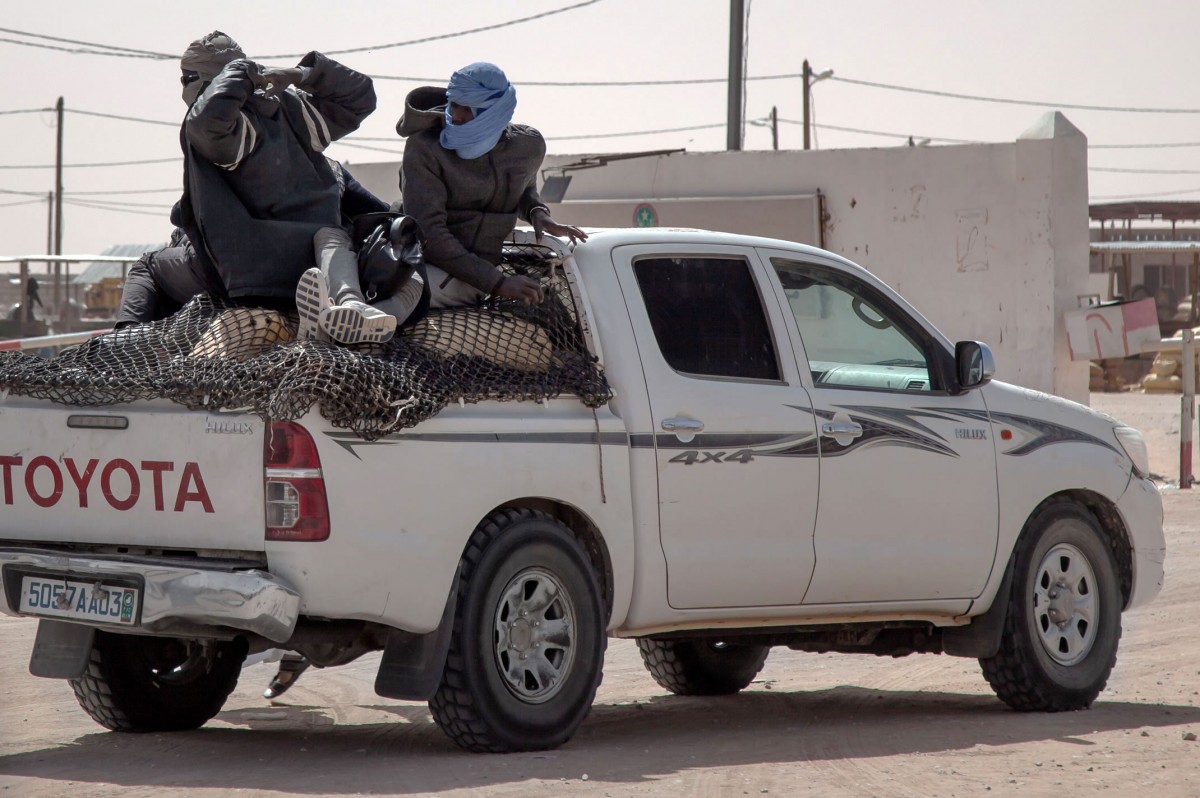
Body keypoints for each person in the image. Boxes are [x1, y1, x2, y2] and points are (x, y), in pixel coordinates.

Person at [173, 31, 394, 343]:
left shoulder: (219, 126)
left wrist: (240, 71)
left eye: (188, 79)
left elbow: (208, 124)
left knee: (150, 267)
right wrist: (302, 74)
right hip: (320, 252)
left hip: (252, 269)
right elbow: (359, 96)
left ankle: (122, 338)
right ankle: (348, 306)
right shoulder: (293, 109)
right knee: (336, 236)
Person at [396, 62, 586, 309]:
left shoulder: (527, 146)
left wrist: (537, 213)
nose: (456, 115)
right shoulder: (424, 147)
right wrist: (496, 283)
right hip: (427, 265)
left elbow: (523, 187)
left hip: (482, 272)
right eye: (454, 104)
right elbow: (429, 232)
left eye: (468, 108)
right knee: (404, 297)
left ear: (494, 112)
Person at [115, 161, 395, 329]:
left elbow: (181, 214)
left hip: (231, 274)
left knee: (148, 265)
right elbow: (379, 214)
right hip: (309, 273)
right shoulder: (330, 168)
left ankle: (127, 336)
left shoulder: (235, 157)